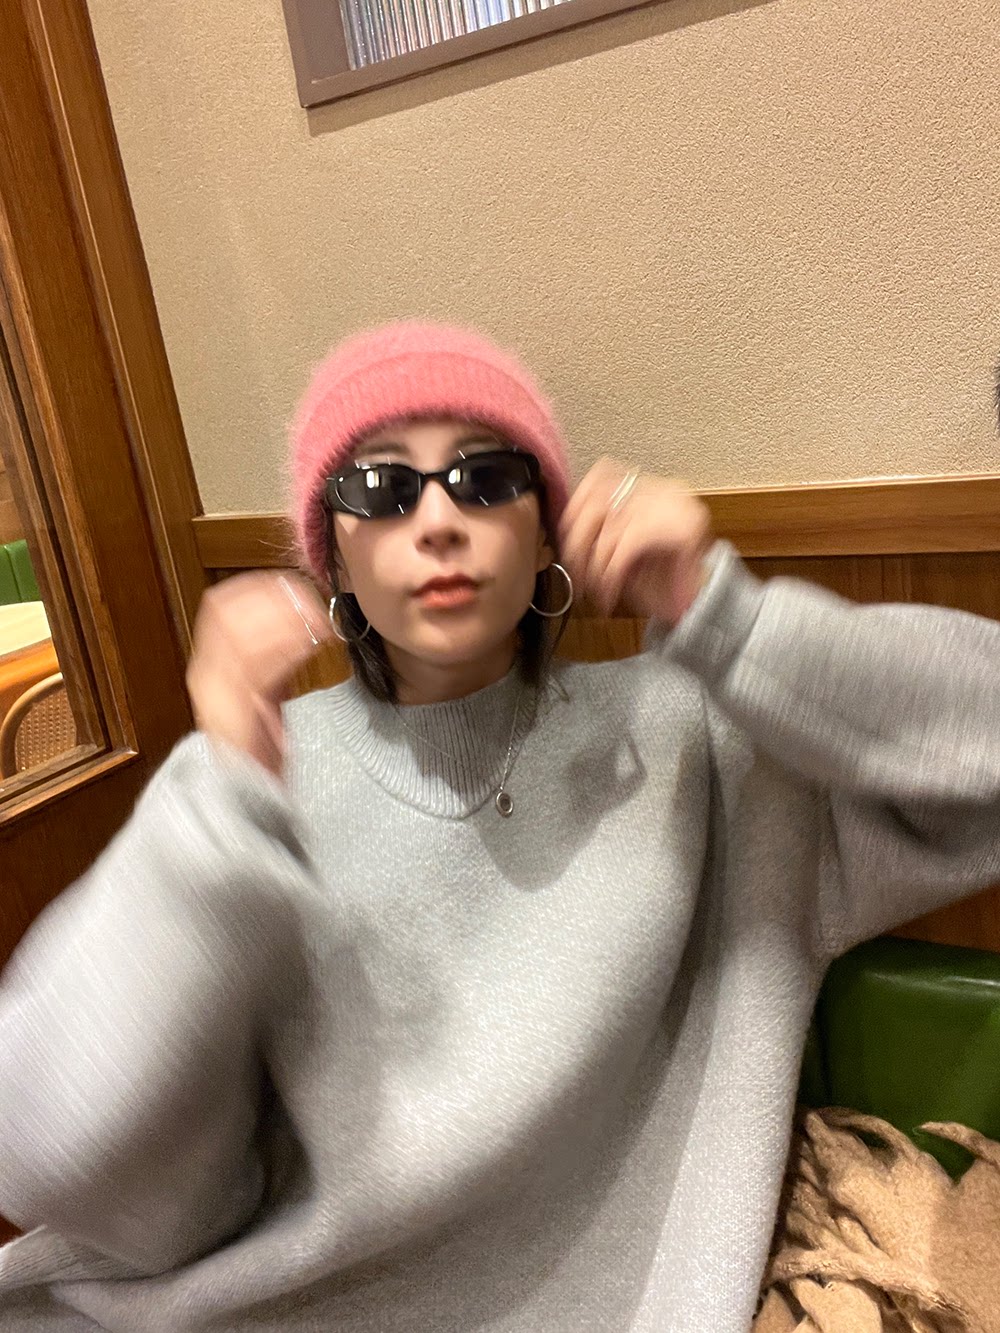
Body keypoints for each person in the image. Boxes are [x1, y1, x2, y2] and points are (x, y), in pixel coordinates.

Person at [1, 321, 999, 1333]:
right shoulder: (244, 781)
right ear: (333, 555)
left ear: (545, 531)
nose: (439, 519)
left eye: (485, 478)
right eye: (382, 488)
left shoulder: (696, 734)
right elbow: (71, 1167)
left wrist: (719, 611)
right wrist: (223, 805)